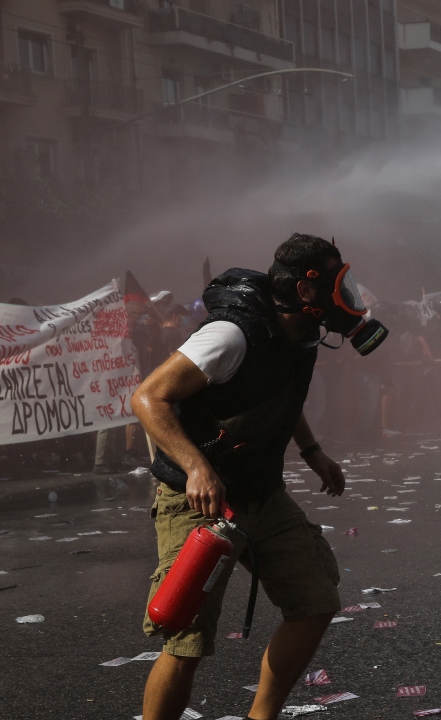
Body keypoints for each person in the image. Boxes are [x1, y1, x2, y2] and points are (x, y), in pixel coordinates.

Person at [133, 233, 385, 720]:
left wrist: (313, 453)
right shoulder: (231, 335)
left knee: (315, 599)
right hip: (197, 501)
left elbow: (278, 395)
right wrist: (197, 466)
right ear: (307, 290)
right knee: (185, 639)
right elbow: (148, 398)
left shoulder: (302, 336)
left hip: (261, 494)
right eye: (337, 282)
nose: (346, 293)